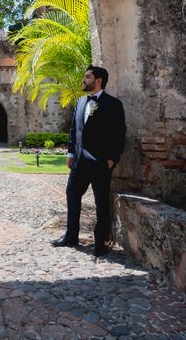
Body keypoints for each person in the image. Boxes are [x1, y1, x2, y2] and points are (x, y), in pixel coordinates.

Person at [51, 65, 126, 256]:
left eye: (87, 77)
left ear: (98, 80)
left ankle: (100, 242)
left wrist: (112, 159)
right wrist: (70, 154)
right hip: (79, 163)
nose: (83, 80)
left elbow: (119, 134)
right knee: (72, 197)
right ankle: (71, 236)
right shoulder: (79, 102)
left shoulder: (113, 104)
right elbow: (74, 131)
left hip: (100, 163)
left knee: (101, 202)